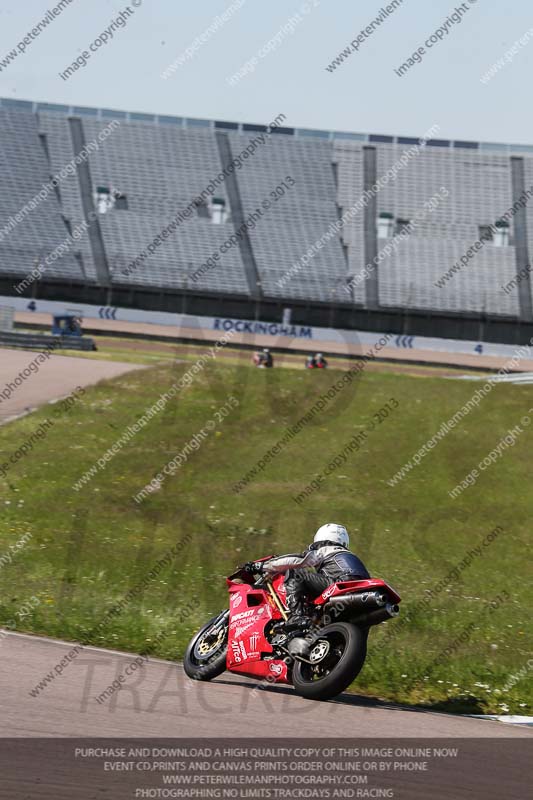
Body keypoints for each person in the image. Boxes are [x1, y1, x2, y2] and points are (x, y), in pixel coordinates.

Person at [246, 523, 369, 630]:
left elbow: (299, 560)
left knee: (296, 573)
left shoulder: (326, 547)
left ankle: (297, 616)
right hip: (364, 592)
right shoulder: (350, 555)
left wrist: (261, 566)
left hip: (341, 584)